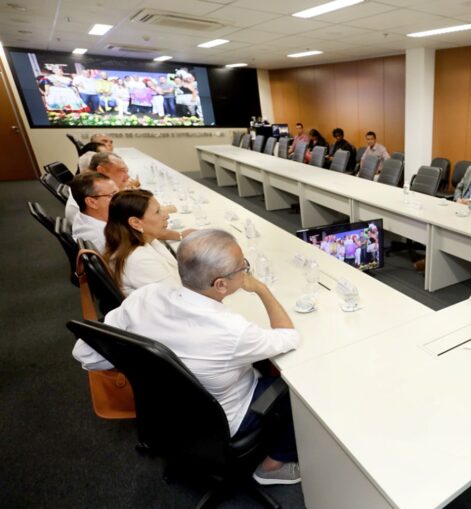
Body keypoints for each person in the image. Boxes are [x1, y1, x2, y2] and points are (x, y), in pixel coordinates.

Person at [72, 229, 302, 485]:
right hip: (221, 422)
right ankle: (272, 467)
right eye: (243, 267)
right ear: (221, 284)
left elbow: (85, 354)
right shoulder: (232, 330)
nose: (246, 271)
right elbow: (289, 337)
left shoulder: (146, 296)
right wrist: (262, 289)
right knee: (294, 387)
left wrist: (137, 361)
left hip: (161, 417)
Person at [102, 190, 181, 296]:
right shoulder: (139, 260)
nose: (166, 216)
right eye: (157, 212)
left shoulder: (144, 240)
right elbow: (177, 298)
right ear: (135, 223)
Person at [69, 172, 118, 252]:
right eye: (112, 195)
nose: (120, 198)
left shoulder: (84, 214)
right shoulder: (104, 238)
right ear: (92, 202)